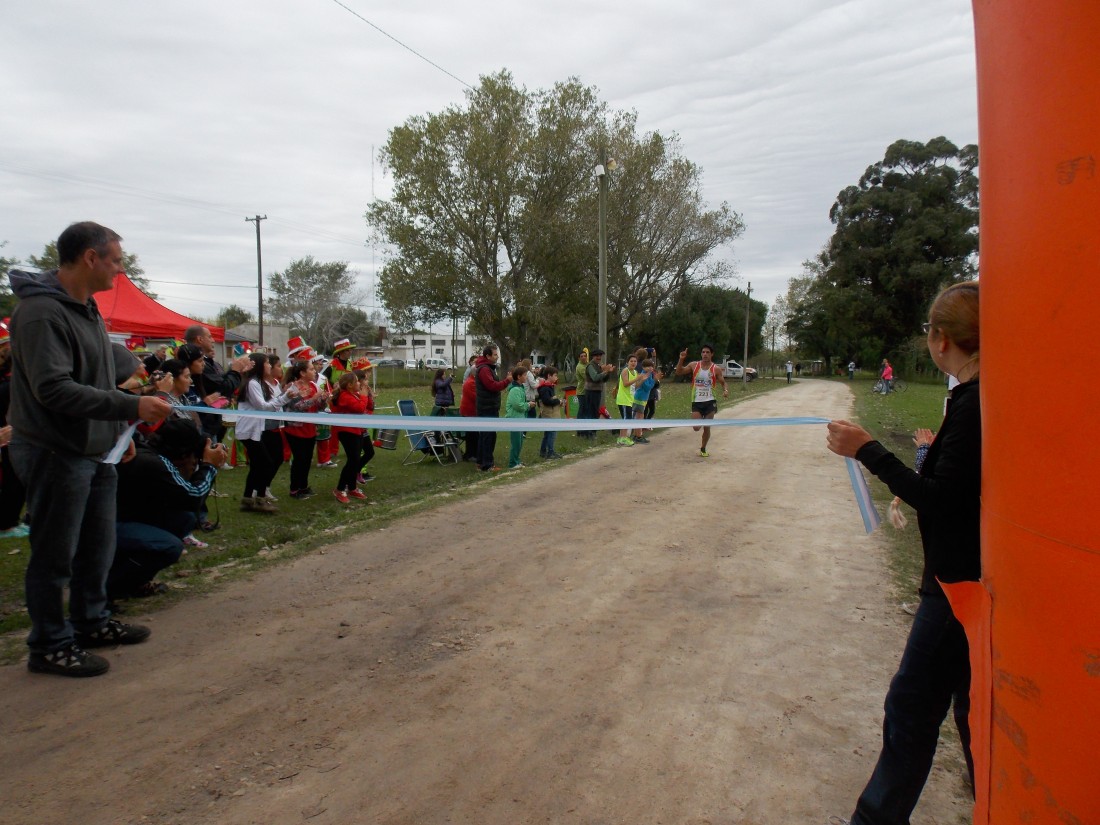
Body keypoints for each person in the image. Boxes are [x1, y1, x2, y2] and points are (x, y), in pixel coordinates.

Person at [825, 281, 980, 825]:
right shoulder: (974, 399)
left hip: (958, 586)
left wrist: (868, 450)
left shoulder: (974, 405)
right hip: (968, 584)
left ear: (940, 340)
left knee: (912, 707)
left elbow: (943, 499)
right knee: (969, 708)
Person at [7, 221, 172, 677]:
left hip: (96, 449)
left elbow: (98, 378)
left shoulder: (86, 308)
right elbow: (54, 390)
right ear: (90, 258)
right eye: (116, 260)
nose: (121, 270)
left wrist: (120, 430)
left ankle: (91, 621)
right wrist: (132, 403)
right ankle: (49, 645)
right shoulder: (41, 313)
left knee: (98, 546)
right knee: (55, 553)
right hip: (54, 450)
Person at [109, 418, 227, 601]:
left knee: (184, 519)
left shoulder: (151, 455)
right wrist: (209, 466)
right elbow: (193, 497)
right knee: (170, 547)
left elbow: (183, 498)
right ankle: (114, 587)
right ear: (183, 451)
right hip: (107, 527)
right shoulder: (154, 463)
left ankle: (132, 578)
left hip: (122, 518)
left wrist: (197, 468)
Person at [236, 352, 297, 513]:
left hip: (254, 429)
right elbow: (263, 407)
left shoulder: (257, 382)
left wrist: (284, 396)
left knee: (258, 464)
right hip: (249, 430)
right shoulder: (252, 383)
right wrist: (285, 398)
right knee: (265, 463)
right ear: (259, 366)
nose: (269, 365)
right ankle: (260, 499)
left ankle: (248, 500)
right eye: (267, 363)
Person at [183, 324, 252, 441]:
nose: (213, 340)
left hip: (212, 420)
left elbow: (219, 384)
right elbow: (223, 387)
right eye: (210, 337)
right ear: (200, 339)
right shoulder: (197, 366)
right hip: (203, 422)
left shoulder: (209, 363)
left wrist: (237, 373)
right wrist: (235, 371)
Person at [283, 359, 330, 499]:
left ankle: (303, 486)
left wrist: (323, 400)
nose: (314, 371)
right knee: (299, 459)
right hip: (295, 430)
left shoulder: (314, 385)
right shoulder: (292, 387)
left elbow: (319, 407)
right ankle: (294, 489)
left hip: (309, 428)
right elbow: (298, 406)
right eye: (311, 369)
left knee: (307, 459)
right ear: (302, 373)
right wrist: (315, 398)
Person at [0, 319, 28, 538]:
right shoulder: (11, 387)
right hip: (10, 440)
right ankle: (7, 523)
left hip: (9, 438)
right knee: (13, 482)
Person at [675, 344, 728, 457]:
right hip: (697, 401)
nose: (705, 354)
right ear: (701, 354)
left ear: (711, 354)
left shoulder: (716, 369)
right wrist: (681, 359)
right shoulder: (694, 365)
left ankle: (703, 448)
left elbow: (723, 382)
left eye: (707, 352)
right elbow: (679, 372)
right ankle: (702, 445)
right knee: (696, 427)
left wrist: (725, 390)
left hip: (710, 401)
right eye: (703, 352)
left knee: (706, 427)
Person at [329, 372, 370, 503]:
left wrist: (366, 395)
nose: (359, 383)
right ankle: (340, 489)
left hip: (356, 430)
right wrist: (364, 397)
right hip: (347, 431)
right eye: (357, 381)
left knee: (356, 460)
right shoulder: (344, 396)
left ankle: (352, 487)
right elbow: (359, 408)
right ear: (350, 385)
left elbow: (366, 407)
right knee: (353, 460)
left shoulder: (353, 394)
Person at [474, 344, 510, 472]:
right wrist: (507, 381)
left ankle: (480, 462)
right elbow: (492, 386)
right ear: (487, 356)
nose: (497, 356)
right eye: (495, 354)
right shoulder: (484, 369)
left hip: (488, 406)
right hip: (487, 407)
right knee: (488, 436)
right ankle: (487, 465)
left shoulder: (488, 368)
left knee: (485, 435)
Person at [580, 348, 615, 439]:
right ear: (593, 356)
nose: (599, 357)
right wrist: (605, 371)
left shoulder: (599, 365)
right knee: (591, 412)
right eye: (597, 356)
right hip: (591, 392)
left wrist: (608, 372)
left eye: (600, 356)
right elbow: (595, 377)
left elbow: (603, 379)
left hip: (597, 392)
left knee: (595, 412)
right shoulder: (590, 366)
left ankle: (592, 432)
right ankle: (589, 433)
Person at [505, 365, 534, 469]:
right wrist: (528, 405)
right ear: (518, 376)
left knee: (520, 442)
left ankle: (516, 461)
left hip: (520, 419)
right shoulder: (515, 390)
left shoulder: (520, 388)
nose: (526, 377)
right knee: (516, 442)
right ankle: (512, 463)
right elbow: (518, 405)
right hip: (514, 419)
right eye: (525, 375)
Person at [631, 358, 662, 443]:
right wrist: (654, 380)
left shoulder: (650, 375)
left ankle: (637, 435)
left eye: (651, 366)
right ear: (643, 367)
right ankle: (638, 436)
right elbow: (647, 387)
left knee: (640, 417)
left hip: (644, 398)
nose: (649, 368)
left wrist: (654, 379)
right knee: (639, 417)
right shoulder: (643, 375)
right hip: (640, 398)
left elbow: (650, 386)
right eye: (647, 366)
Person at [536, 366, 563, 460]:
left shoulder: (549, 387)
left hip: (551, 413)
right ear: (549, 376)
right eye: (555, 375)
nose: (556, 377)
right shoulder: (545, 388)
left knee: (547, 433)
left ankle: (543, 451)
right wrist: (558, 401)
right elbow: (547, 401)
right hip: (549, 415)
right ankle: (550, 452)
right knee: (551, 433)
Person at [459, 366, 479, 462]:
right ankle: (471, 454)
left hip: (470, 412)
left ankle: (471, 453)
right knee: (472, 435)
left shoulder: (471, 382)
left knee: (472, 434)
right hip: (469, 412)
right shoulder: (471, 383)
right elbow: (476, 397)